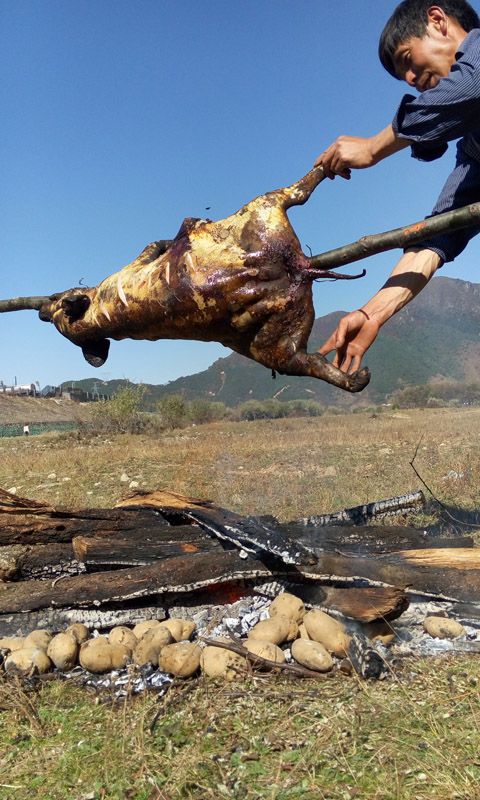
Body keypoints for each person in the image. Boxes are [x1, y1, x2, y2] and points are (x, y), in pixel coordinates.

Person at [315, 0, 480, 377]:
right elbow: (437, 235)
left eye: (407, 58)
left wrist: (374, 147)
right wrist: (371, 312)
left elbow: (472, 84)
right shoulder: (476, 151)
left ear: (437, 20)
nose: (408, 78)